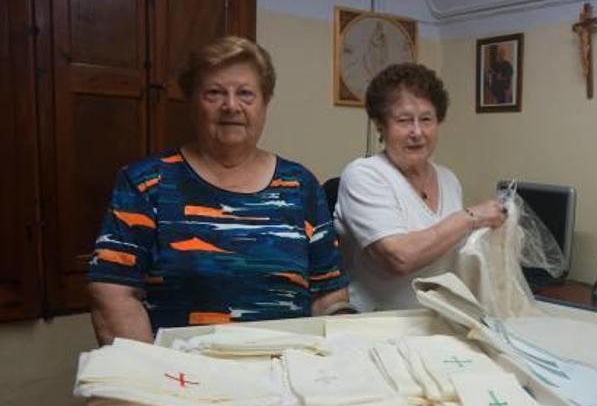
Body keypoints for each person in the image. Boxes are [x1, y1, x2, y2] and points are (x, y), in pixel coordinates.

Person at [87, 36, 350, 346]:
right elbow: (113, 292)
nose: (231, 106)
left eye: (246, 94)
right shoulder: (146, 183)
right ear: (192, 100)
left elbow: (328, 293)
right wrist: (150, 376)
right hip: (180, 379)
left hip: (284, 375)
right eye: (214, 93)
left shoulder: (300, 185)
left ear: (265, 103)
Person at [334, 63, 507, 312]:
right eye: (404, 120)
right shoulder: (363, 175)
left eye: (426, 119)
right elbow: (399, 256)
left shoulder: (449, 180)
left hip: (439, 320)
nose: (417, 132)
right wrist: (471, 217)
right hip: (376, 327)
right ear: (381, 125)